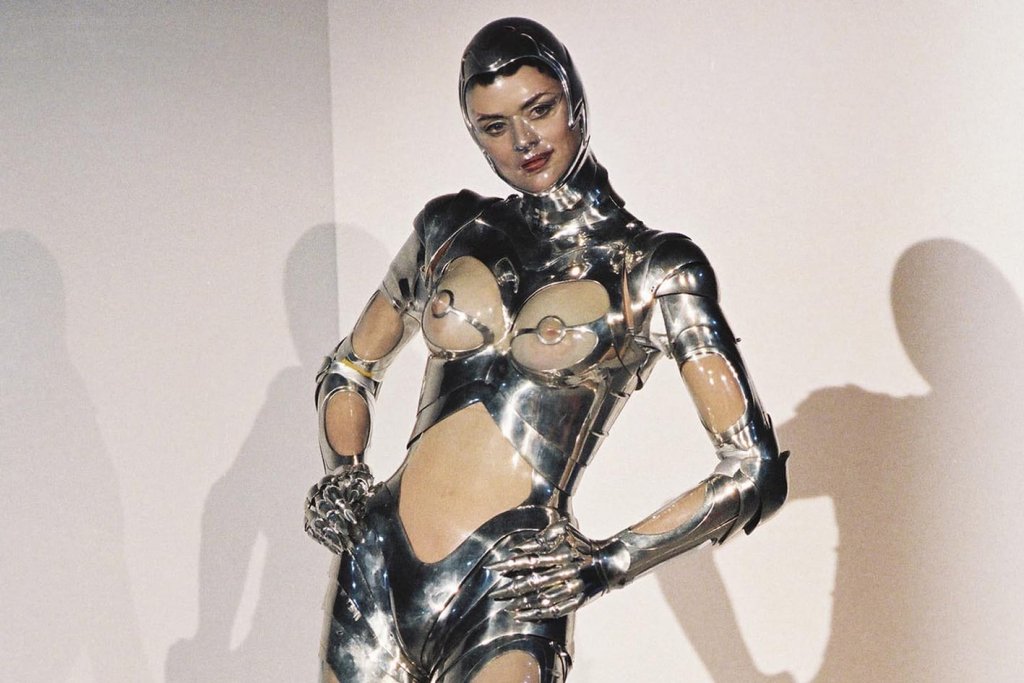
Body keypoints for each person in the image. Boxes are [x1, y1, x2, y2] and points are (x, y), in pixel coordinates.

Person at [305, 17, 787, 683]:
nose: (523, 141)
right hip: (378, 558)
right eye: (493, 126)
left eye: (539, 109)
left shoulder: (651, 271)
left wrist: (609, 561)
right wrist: (344, 471)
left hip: (514, 585)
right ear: (474, 134)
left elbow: (754, 467)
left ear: (574, 98)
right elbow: (351, 367)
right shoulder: (450, 229)